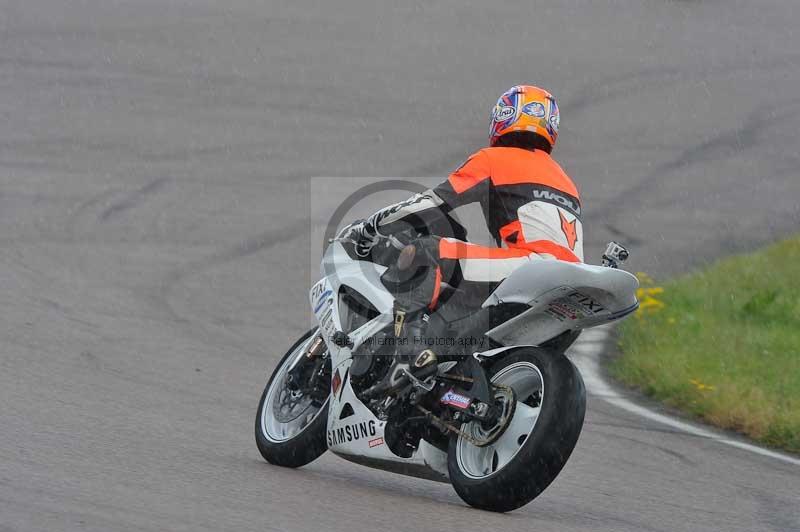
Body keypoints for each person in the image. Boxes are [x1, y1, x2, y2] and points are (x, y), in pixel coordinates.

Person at [348, 85, 584, 372]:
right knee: (457, 305)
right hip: (570, 287)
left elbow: (431, 204)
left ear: (502, 117)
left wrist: (373, 225)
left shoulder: (496, 158)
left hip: (532, 267)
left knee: (426, 252)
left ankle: (408, 355)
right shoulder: (565, 180)